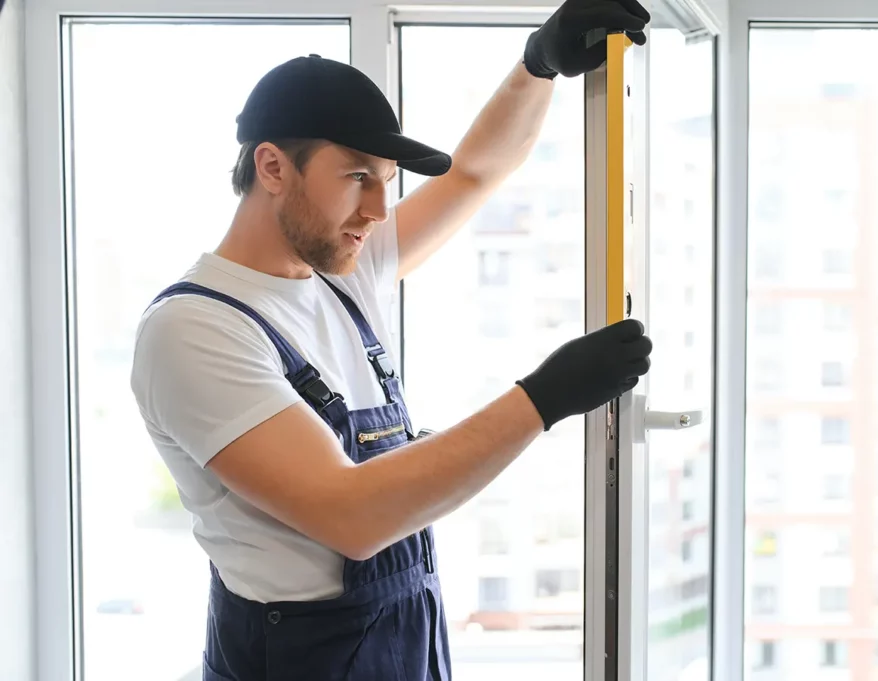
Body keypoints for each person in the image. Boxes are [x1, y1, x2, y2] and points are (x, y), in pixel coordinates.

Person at [130, 1, 652, 679]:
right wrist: (543, 398)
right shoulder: (194, 329)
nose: (377, 210)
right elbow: (352, 513)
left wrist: (538, 65)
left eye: (385, 182)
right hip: (298, 660)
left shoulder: (344, 273)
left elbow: (472, 174)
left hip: (403, 640)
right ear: (273, 167)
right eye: (357, 178)